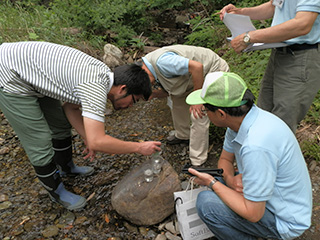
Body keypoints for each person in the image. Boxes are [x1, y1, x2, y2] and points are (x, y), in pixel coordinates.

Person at [0, 41, 161, 210]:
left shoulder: (103, 74)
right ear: (122, 88)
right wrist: (138, 147)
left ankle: (66, 167)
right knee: (39, 141)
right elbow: (98, 141)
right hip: (9, 74)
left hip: (33, 73)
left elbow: (70, 107)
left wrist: (86, 136)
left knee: (60, 123)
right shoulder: (94, 87)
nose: (130, 106)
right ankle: (56, 191)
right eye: (133, 101)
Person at [186, 72, 312, 239]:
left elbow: (253, 214)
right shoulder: (244, 120)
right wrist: (230, 181)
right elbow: (225, 160)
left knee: (206, 203)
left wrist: (212, 182)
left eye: (206, 109)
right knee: (223, 179)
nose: (205, 113)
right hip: (273, 196)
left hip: (286, 220)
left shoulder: (256, 146)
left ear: (221, 114)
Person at [219, 1, 320, 133]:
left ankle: (275, 152)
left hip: (301, 57)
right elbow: (275, 6)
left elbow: (302, 24)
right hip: (279, 53)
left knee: (282, 123)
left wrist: (248, 37)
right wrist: (240, 12)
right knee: (261, 113)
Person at [137, 44, 229, 166]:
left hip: (213, 69)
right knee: (177, 97)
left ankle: (198, 160)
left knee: (199, 111)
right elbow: (169, 90)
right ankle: (183, 135)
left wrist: (197, 99)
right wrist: (153, 95)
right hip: (193, 77)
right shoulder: (148, 68)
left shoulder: (163, 63)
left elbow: (197, 67)